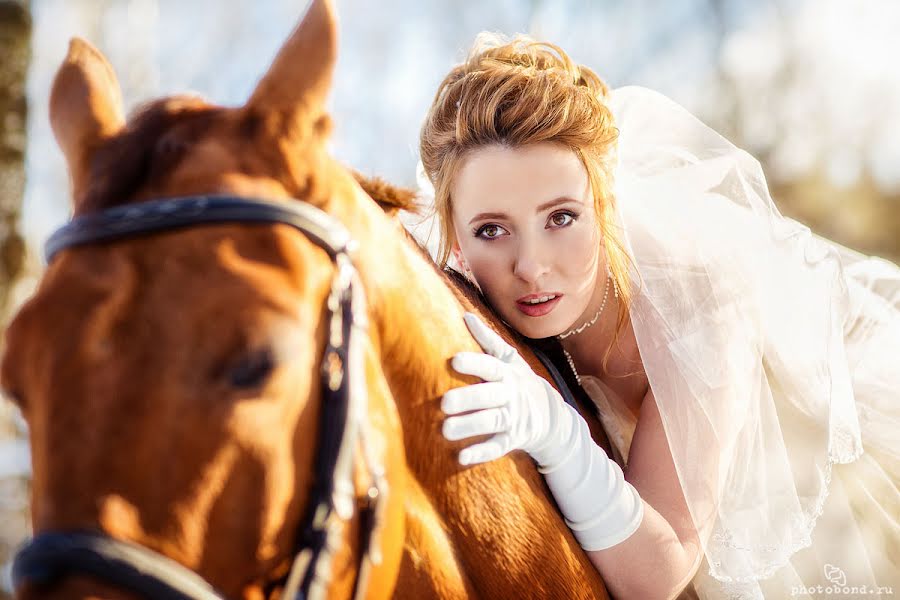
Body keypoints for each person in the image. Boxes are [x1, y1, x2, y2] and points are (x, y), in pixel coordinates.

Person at [417, 33, 900, 599]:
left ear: (604, 202)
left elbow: (659, 573)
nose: (531, 267)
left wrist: (557, 431)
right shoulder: (455, 268)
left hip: (836, 488)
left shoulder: (703, 301)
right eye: (492, 230)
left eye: (562, 218)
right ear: (453, 234)